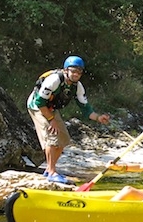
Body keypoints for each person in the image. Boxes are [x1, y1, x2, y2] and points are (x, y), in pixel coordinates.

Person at [27, 55, 111, 183]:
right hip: (37, 106)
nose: (76, 74)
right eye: (73, 71)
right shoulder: (54, 80)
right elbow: (40, 102)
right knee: (52, 136)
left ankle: (49, 170)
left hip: (50, 108)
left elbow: (86, 109)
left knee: (64, 138)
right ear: (66, 70)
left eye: (79, 72)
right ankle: (51, 172)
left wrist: (99, 118)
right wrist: (51, 119)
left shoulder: (77, 86)